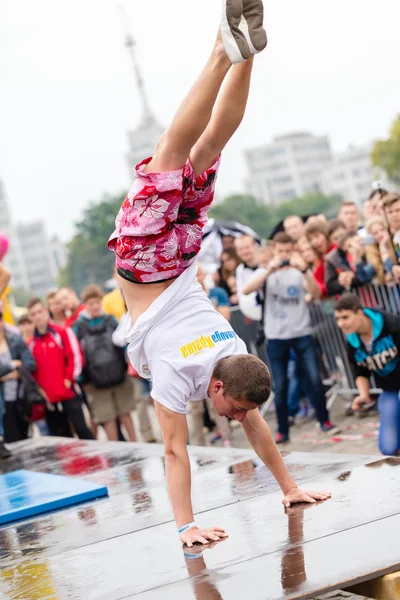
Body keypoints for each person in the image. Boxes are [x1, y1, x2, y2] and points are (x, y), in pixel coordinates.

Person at [107, 3, 330, 547]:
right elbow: (174, 450)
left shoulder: (234, 350)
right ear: (223, 386)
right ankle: (221, 53)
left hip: (182, 256)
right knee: (172, 153)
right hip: (148, 263)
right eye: (235, 410)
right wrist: (186, 526)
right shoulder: (178, 374)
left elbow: (250, 419)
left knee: (205, 151)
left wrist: (289, 486)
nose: (235, 419)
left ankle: (245, 56)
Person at [242, 232, 335, 443]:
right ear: (275, 251)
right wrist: (268, 270)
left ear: (292, 250)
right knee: (280, 385)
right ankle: (283, 430)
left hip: (302, 332)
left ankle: (325, 420)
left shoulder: (298, 272)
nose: (284, 255)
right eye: (280, 251)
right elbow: (246, 290)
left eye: (287, 251)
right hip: (276, 336)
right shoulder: (267, 272)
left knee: (313, 378)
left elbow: (317, 293)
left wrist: (304, 270)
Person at [335, 293, 400, 455]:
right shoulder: (352, 342)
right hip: (390, 390)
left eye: (345, 317)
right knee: (388, 448)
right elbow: (360, 371)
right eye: (337, 318)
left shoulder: (392, 324)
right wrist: (364, 395)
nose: (340, 323)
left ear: (360, 313)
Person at [74, 285, 137, 442]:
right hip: (95, 381)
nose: (95, 306)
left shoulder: (111, 321)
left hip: (118, 374)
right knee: (107, 418)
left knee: (125, 413)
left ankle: (137, 444)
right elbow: (77, 353)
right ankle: (117, 450)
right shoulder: (78, 327)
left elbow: (122, 342)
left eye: (97, 302)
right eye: (91, 303)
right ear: (85, 304)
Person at [27, 298, 94, 440]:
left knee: (82, 431)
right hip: (49, 400)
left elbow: (76, 357)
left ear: (46, 312)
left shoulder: (62, 332)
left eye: (39, 311)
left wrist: (69, 380)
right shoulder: (30, 344)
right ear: (30, 318)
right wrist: (40, 392)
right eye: (33, 314)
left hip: (68, 393)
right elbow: (31, 372)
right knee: (62, 439)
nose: (37, 316)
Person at [0, 309, 36, 445]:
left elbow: (30, 363)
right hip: (3, 402)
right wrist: (11, 365)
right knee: (11, 440)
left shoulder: (15, 341)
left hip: (21, 396)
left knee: (26, 438)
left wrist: (11, 375)